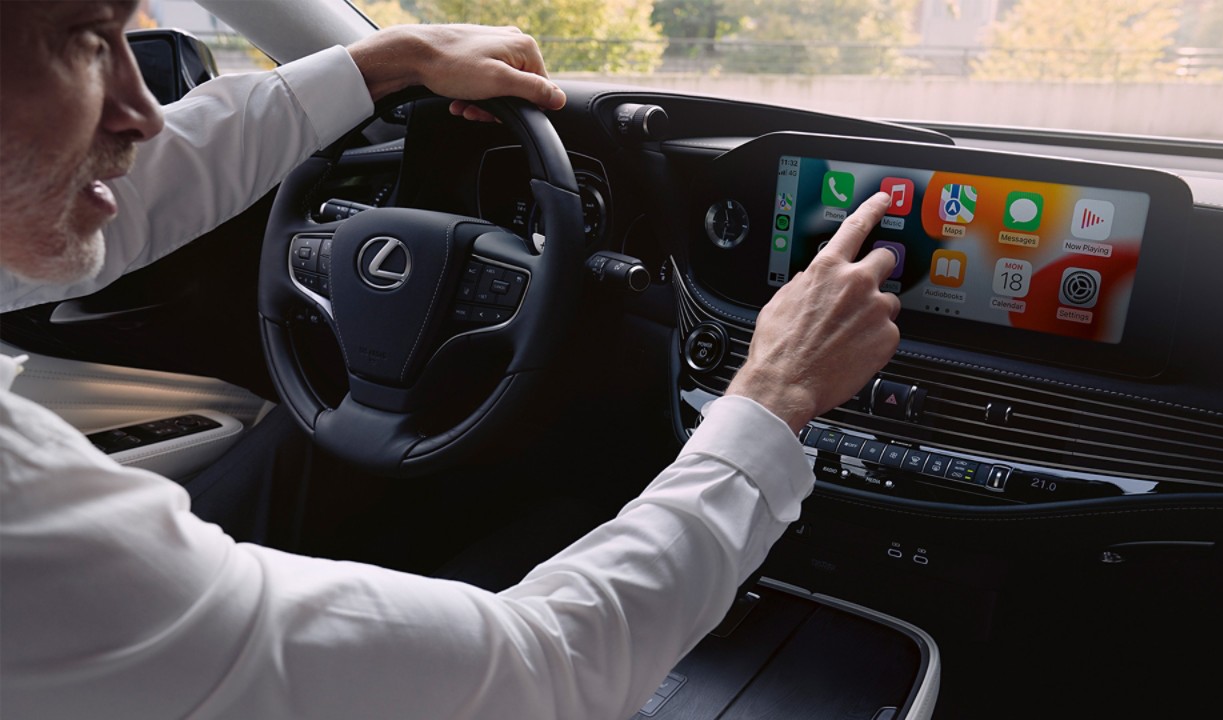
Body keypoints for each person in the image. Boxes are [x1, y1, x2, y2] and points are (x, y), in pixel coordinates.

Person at [0, 2, 901, 718]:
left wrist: (385, 61)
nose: (142, 110)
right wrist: (771, 401)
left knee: (302, 457)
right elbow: (540, 675)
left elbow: (118, 181)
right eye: (86, 41)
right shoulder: (27, 520)